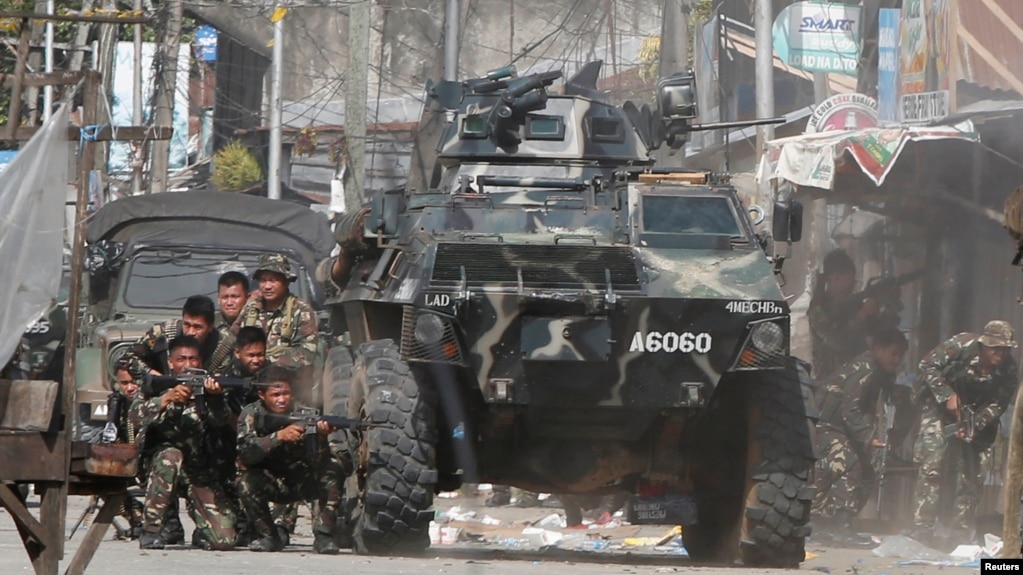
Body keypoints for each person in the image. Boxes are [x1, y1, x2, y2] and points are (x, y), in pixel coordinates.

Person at [910, 320, 1020, 545]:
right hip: (938, 409)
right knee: (932, 466)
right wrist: (946, 395)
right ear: (984, 345)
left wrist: (973, 426)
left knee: (972, 475)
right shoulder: (962, 344)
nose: (1001, 353)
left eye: (1005, 349)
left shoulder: (1009, 369)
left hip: (977, 416)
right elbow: (927, 365)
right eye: (995, 348)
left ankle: (960, 534)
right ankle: (922, 529)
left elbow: (999, 404)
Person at [131, 336, 238, 550]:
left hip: (197, 467)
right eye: (181, 359)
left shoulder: (208, 387)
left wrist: (214, 398)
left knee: (224, 540)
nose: (188, 365)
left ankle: (203, 529)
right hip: (160, 466)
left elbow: (221, 421)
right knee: (171, 457)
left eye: (193, 359)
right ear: (170, 362)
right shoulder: (156, 386)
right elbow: (135, 415)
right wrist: (167, 399)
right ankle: (151, 529)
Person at [811, 328, 913, 547]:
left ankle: (836, 523)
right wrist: (869, 437)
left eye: (900, 355)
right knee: (850, 462)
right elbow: (851, 410)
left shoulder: (881, 373)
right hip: (826, 427)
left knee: (868, 470)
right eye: (893, 353)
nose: (897, 360)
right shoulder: (865, 369)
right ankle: (837, 526)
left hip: (844, 430)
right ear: (878, 349)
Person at [236, 365, 345, 553]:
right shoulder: (251, 414)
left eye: (286, 393)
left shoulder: (305, 413)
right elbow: (246, 453)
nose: (282, 399)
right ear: (262, 395)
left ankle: (323, 535)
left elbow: (318, 462)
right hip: (270, 481)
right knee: (245, 481)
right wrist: (278, 437)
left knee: (333, 468)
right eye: (276, 394)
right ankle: (269, 536)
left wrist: (320, 437)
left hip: (301, 481)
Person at [233, 254, 318, 404]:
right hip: (249, 389)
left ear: (286, 282)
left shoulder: (301, 311)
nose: (267, 286)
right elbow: (232, 340)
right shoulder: (251, 308)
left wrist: (268, 361)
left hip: (286, 394)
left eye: (273, 280)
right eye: (263, 280)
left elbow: (307, 353)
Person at [808, 249, 900, 379]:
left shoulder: (853, 305)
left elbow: (877, 334)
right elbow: (838, 341)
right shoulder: (819, 310)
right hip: (832, 386)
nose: (853, 283)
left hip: (859, 380)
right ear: (836, 278)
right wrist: (863, 314)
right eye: (850, 278)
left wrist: (887, 310)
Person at [123, 295, 235, 380]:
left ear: (210, 326)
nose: (191, 332)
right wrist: (155, 376)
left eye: (197, 327)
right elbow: (127, 359)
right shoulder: (163, 332)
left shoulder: (224, 347)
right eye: (187, 325)